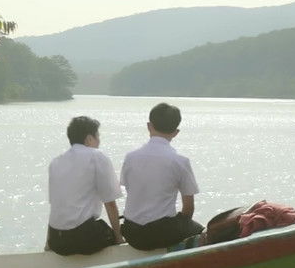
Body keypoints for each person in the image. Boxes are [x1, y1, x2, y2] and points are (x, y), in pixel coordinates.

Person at [119, 102, 204, 250]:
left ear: (149, 126)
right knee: (202, 232)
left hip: (132, 233)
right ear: (176, 132)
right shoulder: (180, 161)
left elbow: (129, 188)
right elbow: (188, 208)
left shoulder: (130, 157)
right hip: (162, 233)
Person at [46, 116, 122, 255]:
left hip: (57, 241)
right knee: (108, 231)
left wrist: (48, 244)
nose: (99, 141)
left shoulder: (56, 162)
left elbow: (56, 205)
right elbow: (110, 202)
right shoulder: (97, 156)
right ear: (89, 139)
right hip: (83, 238)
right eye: (97, 136)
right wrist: (118, 238)